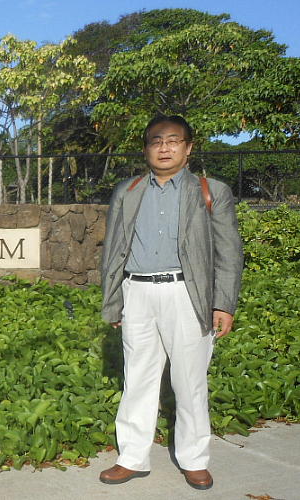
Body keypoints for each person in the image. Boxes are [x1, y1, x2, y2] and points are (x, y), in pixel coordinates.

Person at [98, 115, 243, 490]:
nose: (164, 148)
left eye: (173, 141)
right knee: (138, 378)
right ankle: (132, 457)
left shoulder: (211, 191)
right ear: (146, 149)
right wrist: (113, 301)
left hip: (187, 294)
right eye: (156, 141)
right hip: (137, 293)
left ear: (188, 147)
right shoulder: (128, 191)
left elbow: (229, 252)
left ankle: (194, 459)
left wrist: (224, 304)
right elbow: (113, 250)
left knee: (189, 380)